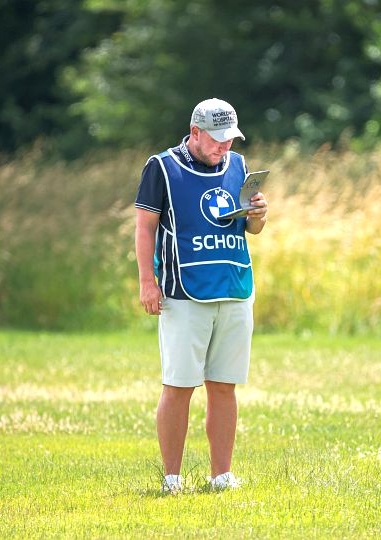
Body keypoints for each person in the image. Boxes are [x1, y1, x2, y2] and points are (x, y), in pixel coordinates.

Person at [134, 98, 268, 494]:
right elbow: (145, 229)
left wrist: (259, 215)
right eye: (217, 139)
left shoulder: (240, 166)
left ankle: (221, 476)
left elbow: (252, 230)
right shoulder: (161, 167)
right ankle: (172, 480)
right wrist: (147, 280)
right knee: (178, 386)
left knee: (224, 385)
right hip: (184, 293)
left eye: (230, 139)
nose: (224, 146)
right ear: (195, 132)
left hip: (234, 287)